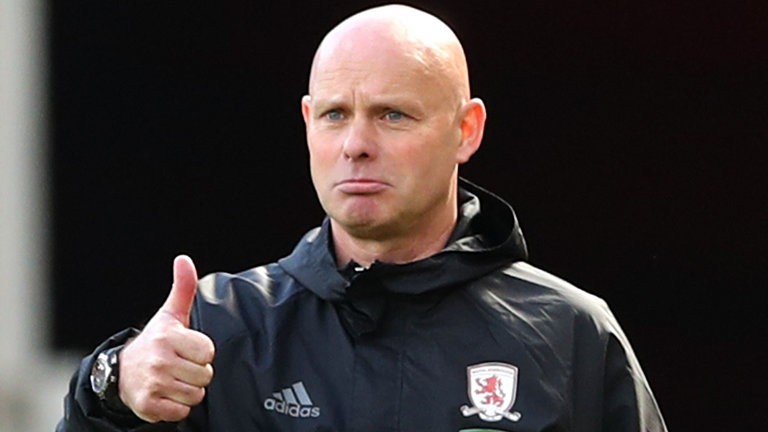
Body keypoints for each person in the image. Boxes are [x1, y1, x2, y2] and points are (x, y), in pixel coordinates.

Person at [57, 4, 667, 431]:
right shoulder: (217, 329)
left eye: (393, 115)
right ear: (306, 122)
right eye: (334, 115)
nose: (355, 143)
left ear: (466, 130)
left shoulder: (570, 336)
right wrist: (113, 385)